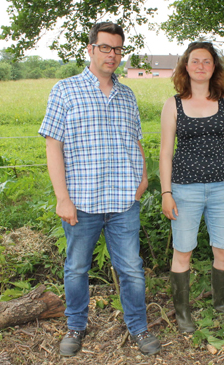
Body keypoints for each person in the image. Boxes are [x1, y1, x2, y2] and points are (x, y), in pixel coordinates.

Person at [39, 22, 161, 357]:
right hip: (82, 201)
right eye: (105, 47)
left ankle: (138, 327)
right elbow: (53, 146)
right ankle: (76, 326)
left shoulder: (126, 94)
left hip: (124, 199)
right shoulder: (65, 90)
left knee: (132, 268)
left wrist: (144, 176)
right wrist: (62, 198)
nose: (113, 55)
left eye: (118, 49)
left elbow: (135, 139)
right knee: (77, 268)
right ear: (90, 49)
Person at [159, 42, 224, 333]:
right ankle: (183, 313)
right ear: (185, 66)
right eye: (194, 61)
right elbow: (165, 153)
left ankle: (220, 303)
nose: (200, 66)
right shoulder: (174, 104)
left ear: (214, 67)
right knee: (182, 252)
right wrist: (166, 192)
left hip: (222, 189)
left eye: (206, 61)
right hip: (184, 190)